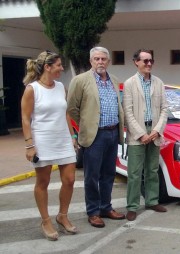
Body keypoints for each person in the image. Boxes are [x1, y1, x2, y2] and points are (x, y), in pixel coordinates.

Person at [21, 51, 78, 241]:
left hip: (63, 139)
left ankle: (62, 215)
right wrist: (30, 145)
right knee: (43, 182)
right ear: (48, 67)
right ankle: (45, 220)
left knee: (69, 179)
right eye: (59, 65)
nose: (62, 68)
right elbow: (25, 118)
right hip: (43, 140)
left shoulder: (61, 86)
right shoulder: (32, 89)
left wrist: (73, 136)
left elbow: (66, 114)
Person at [67, 46, 125, 227]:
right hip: (94, 135)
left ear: (108, 61)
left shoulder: (114, 80)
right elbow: (72, 108)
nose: (100, 62)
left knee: (108, 174)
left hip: (113, 133)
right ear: (91, 61)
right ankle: (93, 211)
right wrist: (86, 123)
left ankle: (106, 207)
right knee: (91, 175)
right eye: (97, 59)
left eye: (103, 59)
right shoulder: (80, 80)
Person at [122, 49, 169, 221]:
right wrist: (141, 134)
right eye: (145, 61)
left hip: (155, 131)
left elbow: (164, 108)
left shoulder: (159, 82)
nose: (149, 64)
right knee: (135, 172)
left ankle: (152, 201)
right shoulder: (129, 83)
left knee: (152, 170)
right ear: (136, 62)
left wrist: (157, 131)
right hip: (137, 134)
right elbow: (127, 111)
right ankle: (132, 206)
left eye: (151, 61)